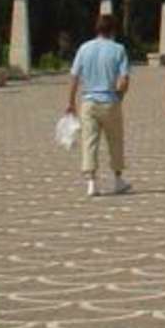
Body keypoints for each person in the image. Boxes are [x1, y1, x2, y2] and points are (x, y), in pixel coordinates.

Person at [64, 13, 132, 198]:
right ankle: (117, 179)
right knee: (115, 140)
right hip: (110, 100)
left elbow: (74, 77)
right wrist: (120, 95)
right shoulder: (118, 49)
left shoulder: (84, 48)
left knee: (89, 142)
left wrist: (70, 102)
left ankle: (92, 182)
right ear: (113, 30)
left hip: (88, 101)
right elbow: (124, 79)